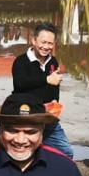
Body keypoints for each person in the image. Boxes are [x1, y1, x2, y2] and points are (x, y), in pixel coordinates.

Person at [10, 21, 73, 156]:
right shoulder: (21, 61)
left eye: (50, 43)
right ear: (34, 40)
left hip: (47, 116)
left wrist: (55, 101)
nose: (46, 47)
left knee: (66, 152)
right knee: (24, 152)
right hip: (26, 116)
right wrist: (46, 79)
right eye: (43, 42)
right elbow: (20, 83)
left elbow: (55, 85)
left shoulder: (53, 61)